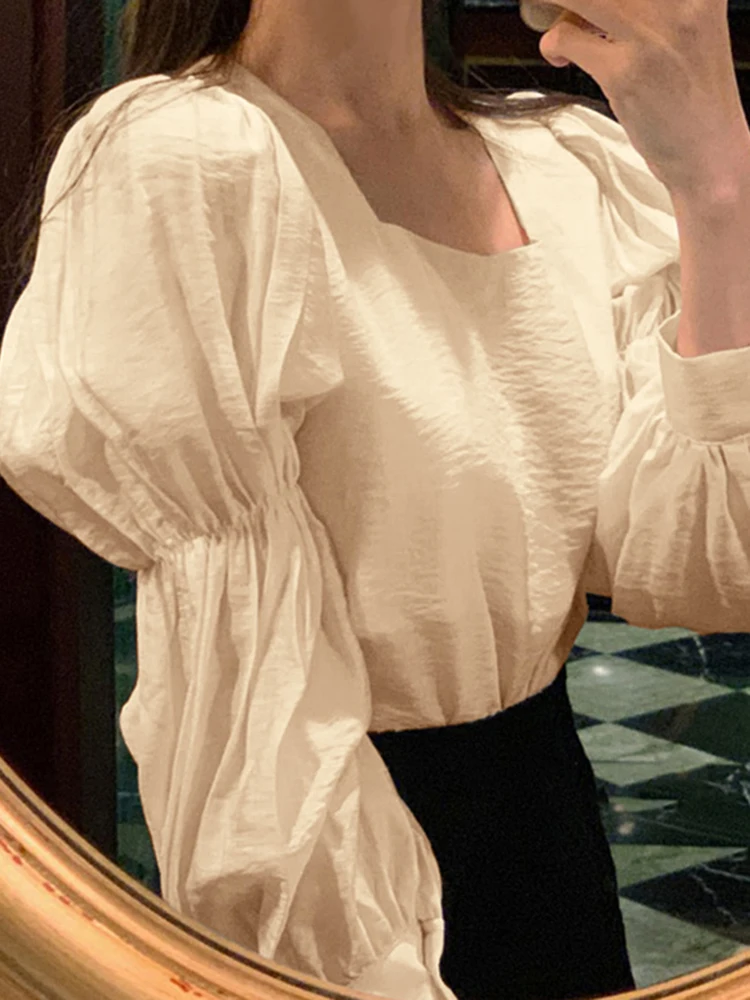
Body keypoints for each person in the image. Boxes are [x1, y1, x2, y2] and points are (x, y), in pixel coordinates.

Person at [1, 1, 749, 999]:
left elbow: (707, 567)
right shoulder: (190, 158)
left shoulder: (563, 165)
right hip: (344, 875)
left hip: (551, 839)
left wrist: (717, 182)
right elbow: (256, 717)